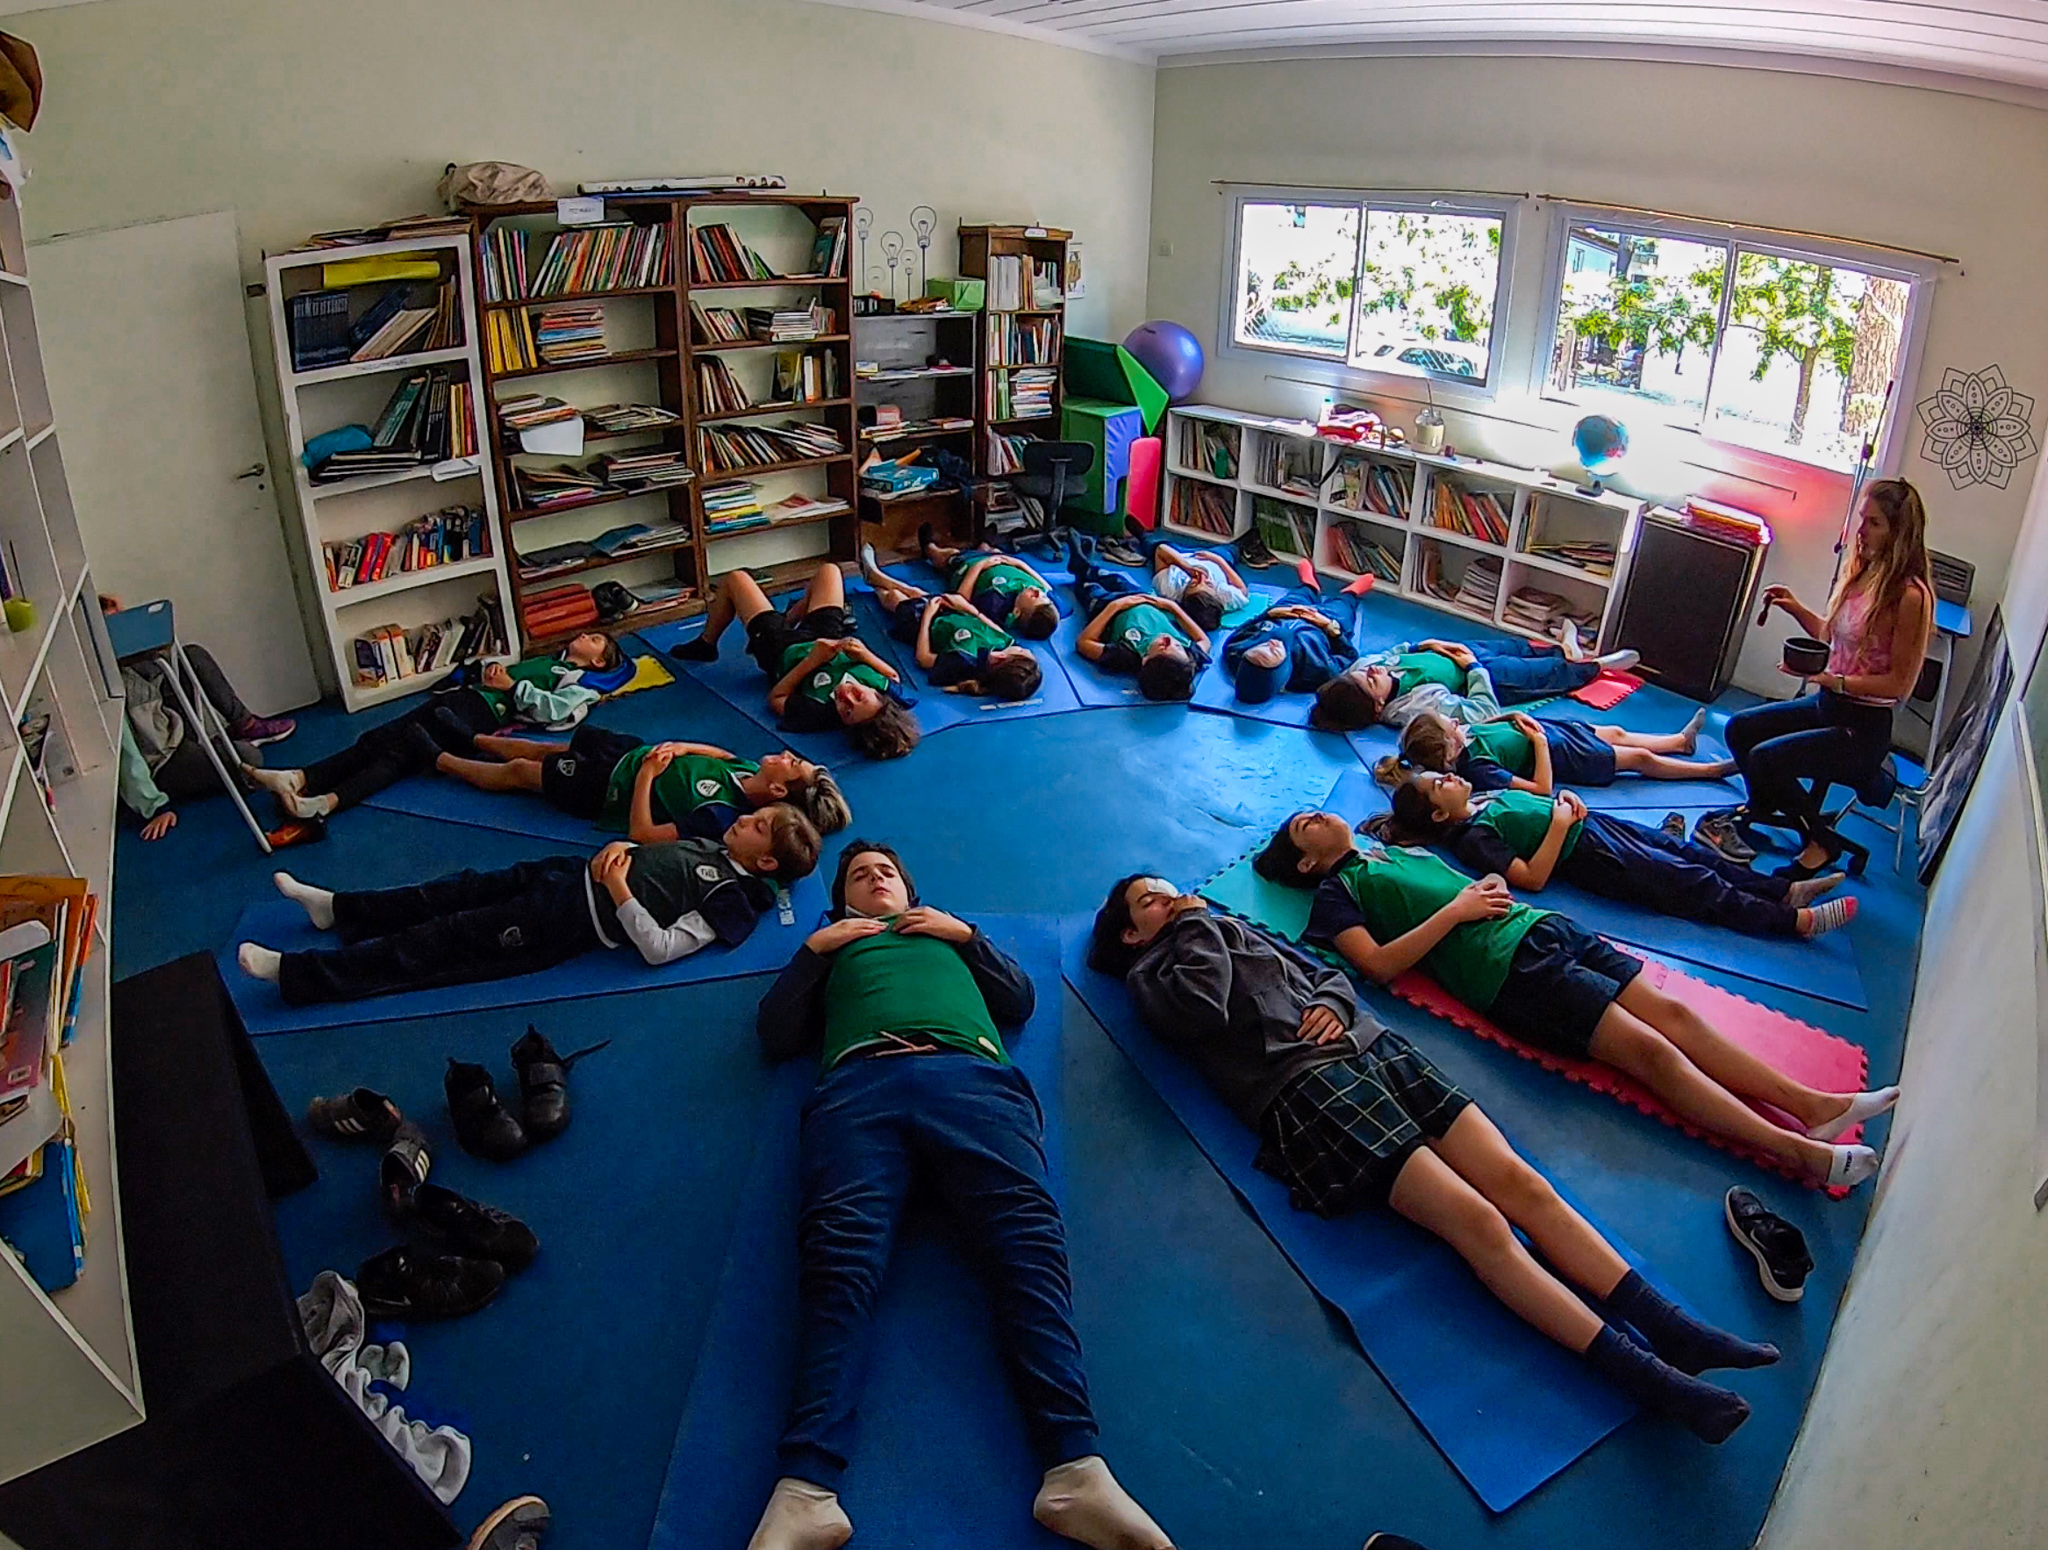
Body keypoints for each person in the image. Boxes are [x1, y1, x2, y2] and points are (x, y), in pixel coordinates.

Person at [1091, 874, 1777, 1444]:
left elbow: (1325, 975)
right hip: (1307, 1087)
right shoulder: (1157, 971)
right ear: (1132, 933)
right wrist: (1193, 925)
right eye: (1153, 900)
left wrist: (1331, 1001)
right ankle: (1647, 1377)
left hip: (1374, 1047)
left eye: (1172, 890)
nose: (1174, 897)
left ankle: (1673, 1327)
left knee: (1521, 1183)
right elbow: (1202, 1010)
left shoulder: (1227, 928)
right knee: (1478, 1224)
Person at [746, 842, 1174, 1550]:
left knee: (1029, 1254)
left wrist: (967, 937)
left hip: (971, 1081)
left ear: (910, 891)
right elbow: (775, 1033)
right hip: (859, 1086)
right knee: (838, 1264)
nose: (875, 876)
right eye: (859, 874)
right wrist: (816, 952)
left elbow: (1019, 1002)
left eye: (886, 870)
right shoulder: (838, 944)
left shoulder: (946, 933)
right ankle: (804, 1489)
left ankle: (1076, 1469)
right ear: (842, 900)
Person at [1255, 812, 1898, 1188]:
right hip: (1511, 972)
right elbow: (1377, 968)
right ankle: (1798, 1152)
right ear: (1308, 863)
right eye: (1304, 826)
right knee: (1651, 1052)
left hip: (1542, 927)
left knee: (1675, 1015)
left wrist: (1470, 889)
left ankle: (1814, 1104)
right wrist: (1456, 908)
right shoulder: (1338, 893)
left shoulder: (1386, 847)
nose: (1317, 816)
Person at [234, 804, 819, 1006]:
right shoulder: (714, 843)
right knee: (450, 890)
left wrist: (618, 891)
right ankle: (338, 909)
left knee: (442, 941)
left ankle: (296, 974)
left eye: (759, 826)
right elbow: (647, 851)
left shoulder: (732, 898)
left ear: (765, 863)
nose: (745, 818)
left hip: (566, 920)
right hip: (563, 876)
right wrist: (622, 847)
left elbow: (661, 950)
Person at [1714, 479, 1936, 877]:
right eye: (1862, 520)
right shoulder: (1864, 573)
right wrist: (1794, 607)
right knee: (1741, 729)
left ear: (1899, 533)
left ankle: (1821, 843)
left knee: (1767, 758)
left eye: (1874, 524)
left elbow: (1899, 685)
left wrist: (1838, 683)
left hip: (1862, 728)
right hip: (1829, 704)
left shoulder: (1909, 597)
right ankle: (1778, 811)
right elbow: (1833, 637)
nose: (1862, 531)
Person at [1368, 771, 1856, 940]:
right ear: (1438, 817)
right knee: (1692, 884)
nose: (1450, 778)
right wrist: (1560, 824)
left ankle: (1784, 889)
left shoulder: (1482, 799)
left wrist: (1564, 804)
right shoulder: (1472, 837)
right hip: (1593, 856)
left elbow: (1539, 798)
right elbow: (1531, 878)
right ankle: (1791, 922)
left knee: (1688, 853)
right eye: (1441, 785)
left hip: (1596, 827)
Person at [246, 633, 624, 820]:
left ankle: (315, 790)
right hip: (469, 698)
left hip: (481, 713)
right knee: (387, 744)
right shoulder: (549, 660)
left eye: (595, 640)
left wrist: (514, 687)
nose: (584, 636)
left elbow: (554, 712)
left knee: (395, 751)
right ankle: (308, 787)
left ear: (598, 663)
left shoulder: (578, 683)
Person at [671, 562, 920, 761]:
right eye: (859, 696)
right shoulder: (883, 690)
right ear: (877, 695)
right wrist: (864, 653)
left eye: (846, 710)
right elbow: (893, 676)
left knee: (735, 579)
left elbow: (776, 699)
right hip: (827, 636)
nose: (847, 696)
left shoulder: (818, 712)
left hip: (781, 650)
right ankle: (789, 618)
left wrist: (812, 662)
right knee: (829, 571)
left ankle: (706, 644)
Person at [433, 726, 851, 841]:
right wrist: (682, 747)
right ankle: (473, 738)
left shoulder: (723, 815)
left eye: (791, 763)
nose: (785, 754)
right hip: (631, 751)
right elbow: (719, 755)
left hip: (610, 788)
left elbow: (643, 833)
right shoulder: (746, 770)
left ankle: (442, 759)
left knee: (524, 772)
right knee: (547, 748)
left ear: (779, 791)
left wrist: (648, 776)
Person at [116, 643, 295, 842]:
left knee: (192, 655)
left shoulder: (133, 659)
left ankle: (246, 725)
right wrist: (155, 806)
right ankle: (216, 750)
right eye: (111, 611)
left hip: (171, 732)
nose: (119, 612)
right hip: (161, 763)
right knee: (249, 758)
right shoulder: (106, 683)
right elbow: (125, 753)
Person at [1311, 634, 1640, 734]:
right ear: (1378, 706)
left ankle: (1565, 651)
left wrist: (1425, 646)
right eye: (1371, 681)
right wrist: (1472, 667)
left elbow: (1391, 652)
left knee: (1513, 646)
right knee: (1535, 674)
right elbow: (1482, 710)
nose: (1373, 670)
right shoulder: (1416, 707)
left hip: (1456, 651)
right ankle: (1593, 667)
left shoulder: (1364, 669)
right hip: (1477, 672)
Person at [1388, 707, 1735, 793]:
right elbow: (1541, 790)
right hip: (1564, 756)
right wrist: (1538, 744)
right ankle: (1710, 771)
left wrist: (1513, 715)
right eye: (1450, 725)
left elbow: (1493, 724)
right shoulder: (1476, 769)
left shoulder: (1464, 737)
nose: (1455, 721)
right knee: (1640, 760)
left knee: (1616, 731)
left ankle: (1679, 742)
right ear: (1448, 749)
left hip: (1557, 732)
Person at [856, 543, 1044, 701]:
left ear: (1003, 659)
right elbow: (986, 623)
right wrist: (966, 607)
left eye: (1021, 651)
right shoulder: (1006, 643)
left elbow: (923, 658)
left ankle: (876, 584)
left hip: (924, 623)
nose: (1022, 647)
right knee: (914, 591)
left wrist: (928, 615)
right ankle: (876, 577)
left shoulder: (965, 662)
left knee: (894, 598)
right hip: (951, 612)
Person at [1067, 534, 1210, 702]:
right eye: (1178, 645)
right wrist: (1173, 607)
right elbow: (1203, 640)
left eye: (1163, 646)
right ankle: (1091, 569)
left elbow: (1083, 643)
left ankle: (1081, 571)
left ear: (1145, 660)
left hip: (1107, 607)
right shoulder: (1188, 660)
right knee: (1116, 579)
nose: (1169, 639)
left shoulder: (1127, 657)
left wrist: (1116, 606)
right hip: (1142, 597)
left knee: (1089, 589)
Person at [1222, 558, 1376, 704]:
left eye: (1261, 646)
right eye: (1274, 652)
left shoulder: (1235, 651)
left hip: (1285, 614)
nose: (1272, 643)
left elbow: (1244, 628)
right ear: (1281, 671)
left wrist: (1271, 614)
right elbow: (1349, 655)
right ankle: (1351, 592)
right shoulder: (1317, 672)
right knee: (1343, 608)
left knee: (1297, 596)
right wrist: (1329, 627)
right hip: (1323, 624)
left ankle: (1310, 586)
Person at [916, 523, 1061, 639]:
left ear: (1016, 612)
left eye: (1034, 597)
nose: (1037, 591)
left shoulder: (994, 605)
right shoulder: (1044, 595)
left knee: (949, 556)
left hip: (969, 567)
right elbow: (1044, 584)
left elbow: (961, 599)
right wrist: (1016, 562)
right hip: (999, 559)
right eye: (1043, 597)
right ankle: (984, 545)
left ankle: (930, 549)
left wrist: (980, 567)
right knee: (995, 551)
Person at [1138, 531, 1250, 634]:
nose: (1201, 577)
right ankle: (1244, 541)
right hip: (1214, 558)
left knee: (1151, 546)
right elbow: (1242, 590)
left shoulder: (1169, 589)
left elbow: (1161, 551)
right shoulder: (1225, 597)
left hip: (1179, 556)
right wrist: (1218, 560)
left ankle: (1141, 534)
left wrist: (1185, 567)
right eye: (1208, 584)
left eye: (1193, 583)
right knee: (1229, 551)